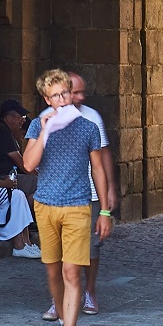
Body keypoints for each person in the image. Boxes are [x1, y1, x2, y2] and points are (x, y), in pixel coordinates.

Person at [23, 68, 112, 326]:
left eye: (66, 93)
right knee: (52, 271)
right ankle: (63, 322)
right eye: (56, 96)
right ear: (47, 99)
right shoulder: (38, 125)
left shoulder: (87, 127)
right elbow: (28, 164)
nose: (63, 100)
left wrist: (104, 210)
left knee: (71, 271)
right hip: (46, 205)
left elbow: (98, 168)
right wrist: (46, 130)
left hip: (78, 206)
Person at [67, 71, 115, 313]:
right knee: (61, 250)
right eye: (76, 92)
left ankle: (90, 290)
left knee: (91, 247)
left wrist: (109, 192)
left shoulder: (92, 118)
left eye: (82, 91)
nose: (81, 97)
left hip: (90, 194)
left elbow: (102, 158)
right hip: (60, 197)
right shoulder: (44, 120)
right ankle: (61, 296)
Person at [0, 98, 37, 255]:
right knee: (41, 184)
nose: (22, 122)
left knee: (36, 191)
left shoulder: (8, 132)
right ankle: (23, 237)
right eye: (20, 118)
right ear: (9, 118)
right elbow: (20, 161)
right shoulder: (1, 129)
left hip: (10, 177)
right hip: (3, 178)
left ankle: (26, 235)